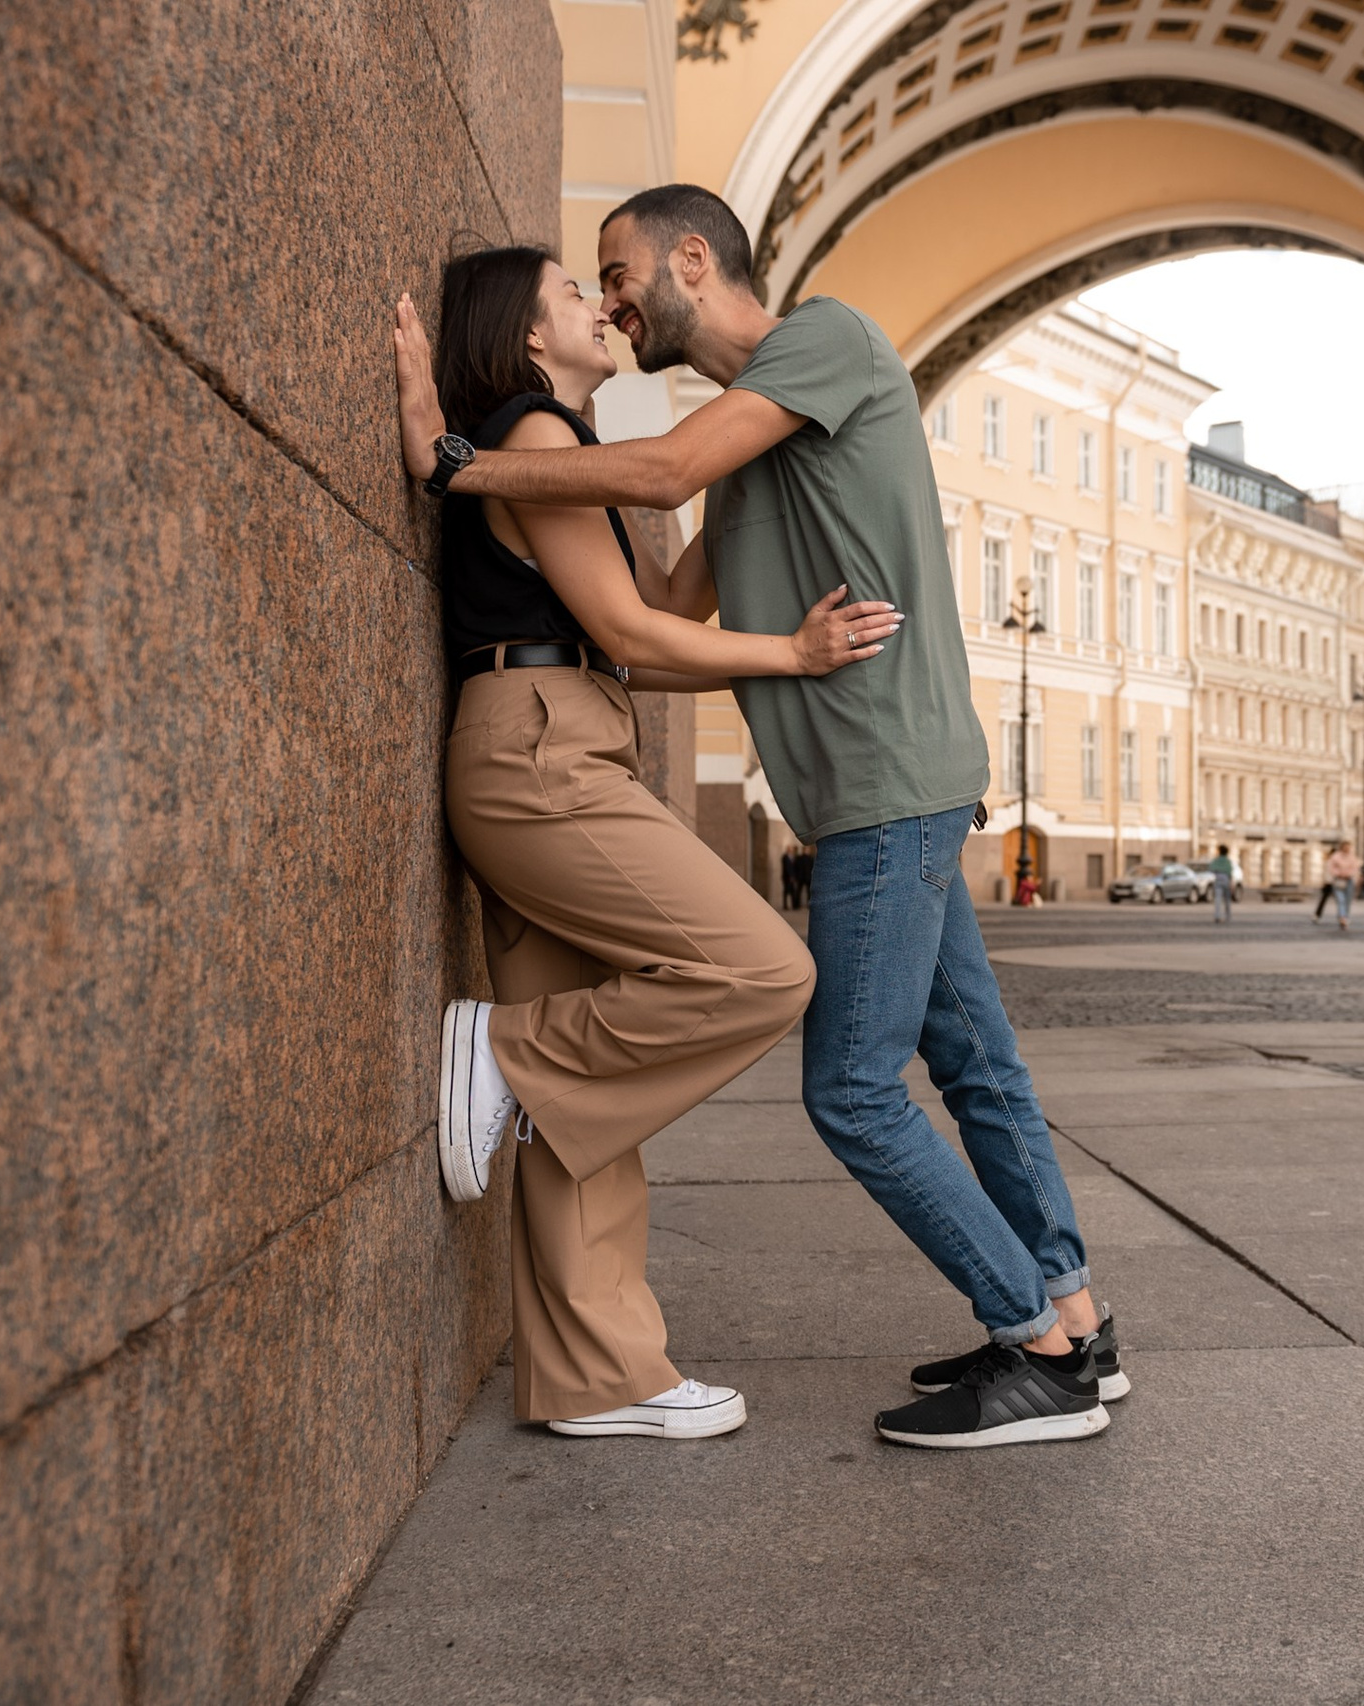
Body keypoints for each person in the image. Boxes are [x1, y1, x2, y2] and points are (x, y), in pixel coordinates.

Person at [395, 186, 1119, 1449]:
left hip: (885, 780)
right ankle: (1073, 1318)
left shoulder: (822, 342)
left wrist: (454, 462)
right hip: (876, 782)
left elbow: (667, 473)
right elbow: (663, 606)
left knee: (850, 1088)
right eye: (588, 288)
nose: (611, 301)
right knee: (973, 1061)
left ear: (691, 258)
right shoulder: (758, 437)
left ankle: (1035, 1345)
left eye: (616, 274)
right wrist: (742, 640)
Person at [404, 247, 902, 1441]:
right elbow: (634, 636)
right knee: (761, 968)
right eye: (574, 293)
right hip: (544, 754)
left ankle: (599, 1375)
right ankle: (508, 1052)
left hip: (541, 744)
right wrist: (795, 652)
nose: (596, 303)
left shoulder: (547, 442)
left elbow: (662, 609)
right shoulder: (541, 429)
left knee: (595, 1102)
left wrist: (749, 483)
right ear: (529, 340)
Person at [1322, 841, 1359, 932]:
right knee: (1340, 900)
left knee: (1348, 900)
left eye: (1348, 847)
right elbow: (1331, 867)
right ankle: (1342, 917)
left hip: (1349, 880)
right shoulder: (1336, 856)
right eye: (1346, 847)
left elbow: (1355, 868)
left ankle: (1345, 916)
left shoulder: (1352, 857)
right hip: (1338, 880)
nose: (1347, 849)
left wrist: (1349, 874)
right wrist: (1338, 874)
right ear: (1342, 847)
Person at [1208, 844, 1236, 923]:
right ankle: (1228, 916)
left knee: (1218, 899)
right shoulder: (1228, 861)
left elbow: (1211, 869)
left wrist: (1217, 872)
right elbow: (1230, 873)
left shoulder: (1216, 860)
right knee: (1227, 900)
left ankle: (1217, 916)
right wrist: (1231, 884)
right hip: (1226, 880)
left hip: (1218, 880)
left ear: (1219, 851)